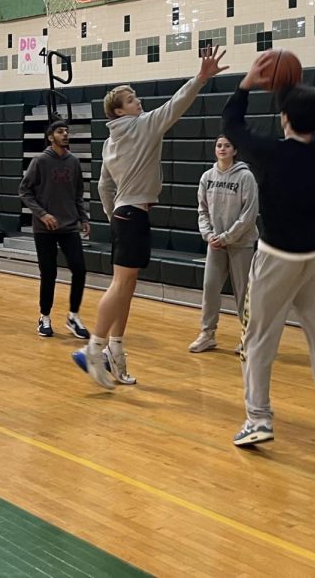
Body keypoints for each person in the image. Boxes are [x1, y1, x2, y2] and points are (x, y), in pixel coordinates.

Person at [72, 45, 228, 390]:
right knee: (120, 286)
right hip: (133, 214)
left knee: (126, 288)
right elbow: (176, 105)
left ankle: (115, 350)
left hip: (126, 215)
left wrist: (114, 215)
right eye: (132, 99)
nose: (138, 102)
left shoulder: (109, 142)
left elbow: (102, 186)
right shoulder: (142, 126)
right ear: (118, 110)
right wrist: (201, 77)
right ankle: (93, 348)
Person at [222, 52, 315, 447]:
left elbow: (231, 124)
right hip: (312, 257)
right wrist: (289, 90)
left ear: (284, 119)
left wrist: (246, 84)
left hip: (276, 258)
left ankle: (258, 418)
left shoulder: (272, 154)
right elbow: (300, 114)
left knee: (258, 339)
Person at [19, 120, 90, 340]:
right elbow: (24, 191)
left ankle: (73, 316)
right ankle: (44, 317)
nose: (66, 134)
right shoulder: (40, 161)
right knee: (48, 274)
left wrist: (83, 217)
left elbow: (78, 194)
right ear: (51, 137)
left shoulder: (74, 162)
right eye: (60, 131)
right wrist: (42, 214)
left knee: (79, 269)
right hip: (44, 228)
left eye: (67, 131)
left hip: (69, 226)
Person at [189, 135, 258, 354]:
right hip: (215, 244)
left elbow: (249, 214)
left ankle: (249, 338)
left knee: (243, 293)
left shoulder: (246, 177)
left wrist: (227, 236)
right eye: (219, 145)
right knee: (210, 288)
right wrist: (208, 234)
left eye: (227, 145)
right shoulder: (207, 177)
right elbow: (202, 209)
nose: (222, 149)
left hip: (241, 244)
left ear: (234, 150)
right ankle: (207, 334)